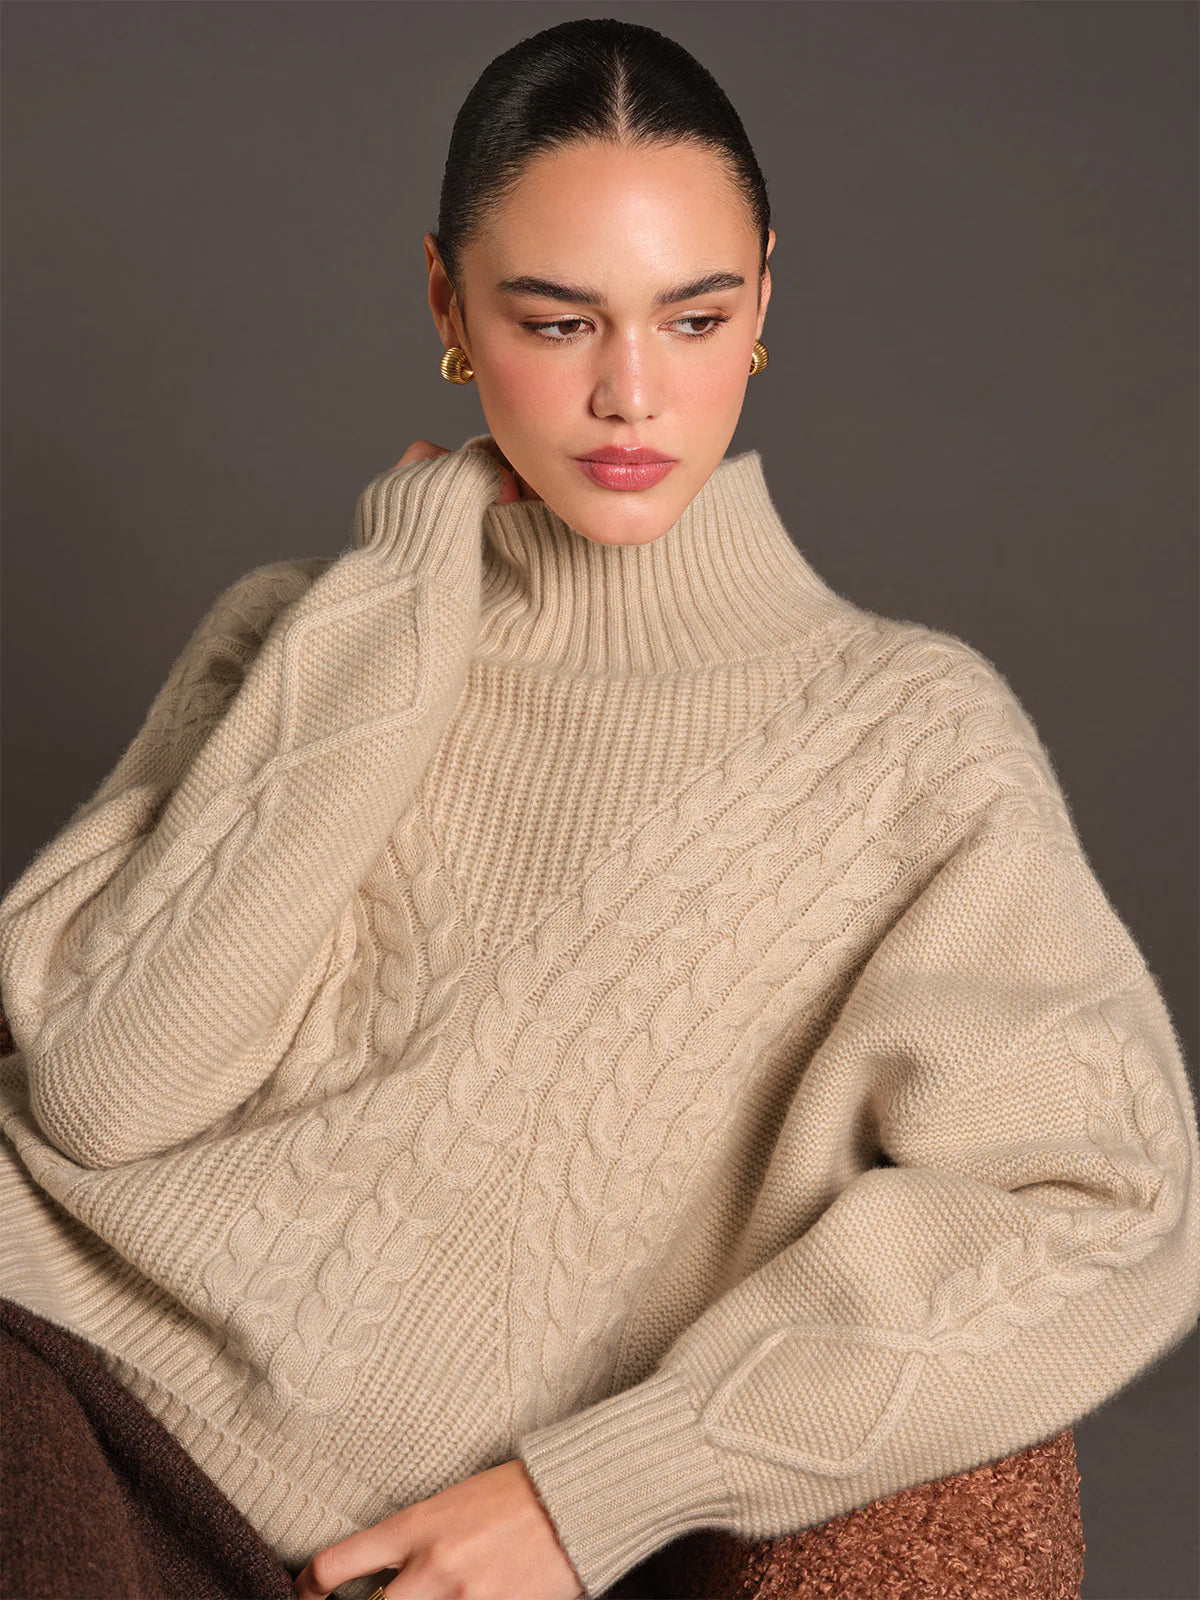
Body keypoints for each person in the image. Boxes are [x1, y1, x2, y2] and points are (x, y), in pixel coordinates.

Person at [1, 16, 1198, 1600]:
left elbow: (1106, 1195)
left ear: (765, 294)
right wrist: (405, 597)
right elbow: (100, 1093)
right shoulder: (310, 629)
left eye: (692, 317)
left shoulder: (909, 739)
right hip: (47, 1370)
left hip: (410, 1535)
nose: (632, 396)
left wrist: (598, 1490)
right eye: (557, 323)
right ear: (447, 302)